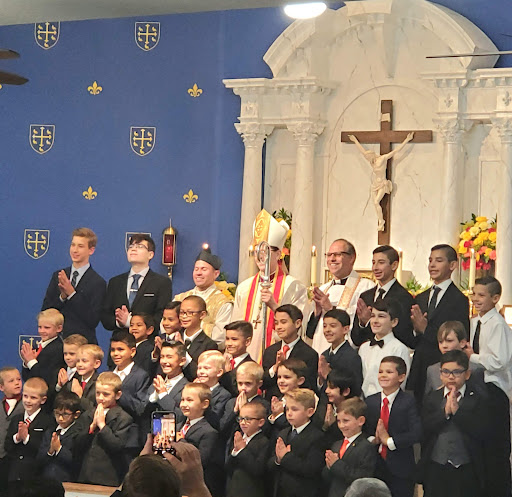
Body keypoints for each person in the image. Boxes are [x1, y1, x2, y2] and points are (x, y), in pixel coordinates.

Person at [232, 209, 309, 363]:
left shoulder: (293, 287)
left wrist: (274, 306)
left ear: (278, 254)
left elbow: (299, 327)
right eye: (257, 251)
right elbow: (235, 327)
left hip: (279, 357)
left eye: (266, 251)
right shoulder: (244, 287)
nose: (260, 256)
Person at [464, 276, 512, 497]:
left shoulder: (498, 325)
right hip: (477, 387)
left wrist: (472, 356)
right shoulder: (476, 322)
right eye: (474, 294)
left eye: (481, 295)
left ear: (495, 298)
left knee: (495, 448)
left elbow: (499, 361)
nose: (476, 299)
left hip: (494, 390)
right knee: (479, 446)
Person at [419, 350, 488, 497]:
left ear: (467, 374)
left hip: (467, 467)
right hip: (436, 466)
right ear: (440, 374)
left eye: (456, 372)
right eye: (446, 372)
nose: (451, 377)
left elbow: (481, 431)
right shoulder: (432, 398)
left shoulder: (478, 398)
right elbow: (424, 427)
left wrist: (457, 412)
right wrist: (444, 413)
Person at [407, 244, 469, 404]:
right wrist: (416, 330)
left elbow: (459, 335)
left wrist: (425, 329)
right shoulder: (421, 297)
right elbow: (413, 337)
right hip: (420, 365)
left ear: (452, 265)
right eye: (430, 260)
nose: (432, 265)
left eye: (439, 260)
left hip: (442, 365)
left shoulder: (459, 299)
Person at [364, 357, 421, 497]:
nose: (383, 375)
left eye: (389, 372)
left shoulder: (409, 401)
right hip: (374, 464)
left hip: (400, 465)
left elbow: (416, 433)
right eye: (380, 371)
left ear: (401, 377)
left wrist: (388, 440)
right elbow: (365, 429)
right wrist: (373, 439)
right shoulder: (370, 401)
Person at [306, 238, 374, 354]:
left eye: (337, 255)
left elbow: (363, 328)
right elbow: (309, 333)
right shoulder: (323, 289)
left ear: (352, 258)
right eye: (329, 255)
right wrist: (317, 313)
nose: (332, 259)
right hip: (320, 352)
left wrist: (330, 309)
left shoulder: (366, 287)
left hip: (348, 355)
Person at [42, 227, 106, 344]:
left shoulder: (98, 282)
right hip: (57, 344)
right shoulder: (59, 275)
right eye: (73, 245)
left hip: (83, 345)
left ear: (91, 250)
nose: (75, 250)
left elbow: (92, 320)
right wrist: (62, 297)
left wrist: (72, 294)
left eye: (80, 246)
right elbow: (46, 312)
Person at [101, 233, 172, 333]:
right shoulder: (115, 282)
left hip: (147, 340)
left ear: (150, 254)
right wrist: (120, 322)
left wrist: (130, 322)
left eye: (140, 246)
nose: (133, 249)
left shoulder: (162, 283)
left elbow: (161, 317)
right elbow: (105, 316)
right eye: (131, 247)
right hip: (119, 339)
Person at [347, 133, 414, 231]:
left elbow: (395, 151)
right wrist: (355, 141)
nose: (368, 160)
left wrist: (407, 140)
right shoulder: (372, 161)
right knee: (375, 204)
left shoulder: (382, 159)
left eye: (369, 158)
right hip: (375, 185)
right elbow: (362, 151)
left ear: (372, 155)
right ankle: (380, 221)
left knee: (376, 202)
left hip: (383, 184)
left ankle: (381, 221)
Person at [352, 245, 414, 348]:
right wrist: (362, 324)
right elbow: (356, 339)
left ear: (394, 265)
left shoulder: (404, 297)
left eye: (381, 262)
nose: (375, 268)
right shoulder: (366, 296)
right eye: (373, 263)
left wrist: (369, 322)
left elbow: (404, 335)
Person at [77, 372, 133, 486]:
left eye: (106, 394)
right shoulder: (88, 414)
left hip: (108, 477)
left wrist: (102, 426)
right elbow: (77, 444)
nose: (100, 398)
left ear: (117, 395)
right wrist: (91, 428)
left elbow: (117, 446)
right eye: (98, 393)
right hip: (85, 474)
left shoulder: (123, 418)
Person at [267, 388, 325, 497]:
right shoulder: (283, 433)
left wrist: (286, 457)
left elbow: (311, 469)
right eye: (287, 409)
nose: (289, 413)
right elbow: (270, 463)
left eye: (294, 409)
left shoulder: (317, 436)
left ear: (310, 412)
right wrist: (278, 460)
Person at [174, 247, 234, 347]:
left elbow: (221, 337)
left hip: (208, 352)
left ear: (216, 274)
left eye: (204, 269)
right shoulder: (180, 298)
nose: (198, 273)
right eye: (196, 269)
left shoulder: (223, 303)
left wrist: (194, 325)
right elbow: (167, 325)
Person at [5, 378, 53, 493]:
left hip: (35, 478)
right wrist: (17, 438)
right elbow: (7, 446)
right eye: (25, 396)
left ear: (43, 400)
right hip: (14, 476)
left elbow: (44, 450)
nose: (28, 401)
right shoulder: (16, 419)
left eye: (33, 398)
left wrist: (26, 438)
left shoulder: (47, 421)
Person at [322, 397, 376, 497]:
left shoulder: (366, 447)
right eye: (338, 421)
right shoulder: (336, 445)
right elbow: (327, 478)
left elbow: (363, 478)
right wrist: (329, 467)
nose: (341, 425)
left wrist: (336, 464)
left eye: (346, 421)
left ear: (361, 421)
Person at [262, 304, 318, 398]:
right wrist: (275, 368)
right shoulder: (270, 351)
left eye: (283, 322)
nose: (278, 327)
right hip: (271, 402)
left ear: (297, 323)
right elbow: (262, 383)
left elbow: (309, 387)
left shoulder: (309, 354)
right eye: (276, 323)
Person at [359, 300, 410, 398]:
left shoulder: (399, 348)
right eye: (373, 316)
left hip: (386, 402)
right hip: (363, 401)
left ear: (394, 322)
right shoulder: (364, 348)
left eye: (381, 316)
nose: (375, 321)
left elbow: (400, 383)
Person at [177, 383, 221, 497]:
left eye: (189, 400)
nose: (184, 404)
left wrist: (181, 441)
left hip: (193, 487)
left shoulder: (209, 432)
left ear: (205, 404)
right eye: (182, 400)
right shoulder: (177, 426)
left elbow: (200, 460)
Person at [110, 330, 151, 452]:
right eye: (113, 350)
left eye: (120, 349)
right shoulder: (108, 374)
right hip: (109, 432)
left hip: (130, 438)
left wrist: (118, 395)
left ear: (132, 351)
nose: (115, 354)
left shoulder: (141, 375)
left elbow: (140, 407)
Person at [20, 309, 66, 404]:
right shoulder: (39, 346)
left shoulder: (58, 349)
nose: (42, 331)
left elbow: (45, 379)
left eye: (47, 327)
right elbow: (27, 378)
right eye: (40, 327)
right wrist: (27, 362)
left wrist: (31, 361)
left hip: (48, 401)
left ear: (59, 328)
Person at [37, 391, 84, 482]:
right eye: (57, 413)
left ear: (76, 414)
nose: (60, 418)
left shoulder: (79, 434)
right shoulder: (50, 432)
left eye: (65, 414)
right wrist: (50, 451)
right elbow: (39, 459)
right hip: (46, 480)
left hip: (67, 481)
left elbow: (77, 462)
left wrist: (59, 449)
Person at [424, 321, 482, 394]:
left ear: (462, 343)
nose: (444, 346)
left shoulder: (476, 369)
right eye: (440, 342)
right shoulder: (432, 370)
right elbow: (429, 399)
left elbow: (481, 397)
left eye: (449, 341)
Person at [225, 401, 269, 497]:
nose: (243, 423)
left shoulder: (263, 442)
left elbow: (258, 470)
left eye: (248, 419)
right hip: (233, 489)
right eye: (240, 419)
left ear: (260, 422)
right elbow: (228, 467)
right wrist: (235, 452)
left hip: (252, 491)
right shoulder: (238, 438)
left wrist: (242, 450)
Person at [220, 361, 268, 442]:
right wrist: (235, 412)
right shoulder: (231, 402)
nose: (243, 388)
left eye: (248, 384)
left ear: (259, 384)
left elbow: (265, 430)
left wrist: (244, 410)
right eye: (240, 383)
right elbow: (223, 429)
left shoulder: (263, 405)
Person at [319, 308, 362, 392]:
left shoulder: (351, 357)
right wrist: (320, 379)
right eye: (324, 326)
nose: (327, 330)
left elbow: (355, 388)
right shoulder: (325, 354)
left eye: (333, 326)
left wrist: (328, 375)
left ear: (345, 329)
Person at [178, 296, 219, 381]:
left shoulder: (209, 344)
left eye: (190, 313)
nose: (184, 316)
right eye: (181, 312)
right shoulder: (175, 337)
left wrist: (183, 351)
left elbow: (200, 374)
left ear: (202, 315)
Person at [148, 342, 189, 425]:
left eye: (169, 357)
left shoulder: (187, 387)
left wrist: (163, 395)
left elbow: (181, 416)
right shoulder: (157, 382)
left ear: (182, 361)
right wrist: (155, 395)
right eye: (162, 357)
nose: (164, 361)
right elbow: (141, 410)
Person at [0, 367, 23, 496]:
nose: (17, 383)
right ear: (1, 387)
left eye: (18, 379)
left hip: (15, 461)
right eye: (11, 381)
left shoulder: (26, 405)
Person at [196, 350, 231, 430]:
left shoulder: (223, 395)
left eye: (206, 368)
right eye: (199, 368)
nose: (201, 372)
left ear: (219, 372)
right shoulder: (194, 390)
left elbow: (214, 419)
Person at [220, 320, 255, 397]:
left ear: (247, 341)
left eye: (234, 339)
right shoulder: (223, 362)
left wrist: (227, 374)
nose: (229, 344)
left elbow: (239, 391)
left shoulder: (250, 366)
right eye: (227, 339)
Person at [73, 344, 103, 411]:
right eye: (78, 361)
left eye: (84, 361)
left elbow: (95, 409)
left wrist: (79, 396)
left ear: (96, 364)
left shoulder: (100, 384)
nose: (79, 364)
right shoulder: (74, 381)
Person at [130, 312, 157, 377]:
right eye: (131, 325)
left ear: (149, 330)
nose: (134, 328)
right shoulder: (127, 347)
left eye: (139, 325)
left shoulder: (149, 349)